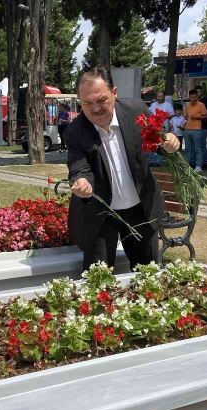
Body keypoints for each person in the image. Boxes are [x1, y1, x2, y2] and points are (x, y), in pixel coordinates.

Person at [67, 66, 181, 271]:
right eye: (87, 103)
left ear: (115, 93)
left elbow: (160, 143)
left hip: (139, 209)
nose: (95, 109)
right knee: (97, 277)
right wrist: (82, 183)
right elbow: (79, 167)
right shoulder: (75, 131)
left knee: (148, 275)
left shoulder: (136, 112)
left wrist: (171, 143)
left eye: (101, 100)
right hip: (100, 214)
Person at [184, 89, 207, 172]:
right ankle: (187, 164)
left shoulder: (201, 105)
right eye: (191, 97)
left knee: (198, 149)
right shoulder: (188, 105)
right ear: (189, 97)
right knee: (188, 149)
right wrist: (185, 117)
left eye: (195, 97)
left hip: (197, 130)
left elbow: (206, 117)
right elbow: (186, 117)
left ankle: (199, 166)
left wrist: (197, 117)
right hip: (187, 129)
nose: (193, 99)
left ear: (197, 97)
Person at [195, 85, 207, 168]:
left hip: (202, 126)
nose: (198, 93)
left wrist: (198, 116)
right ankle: (197, 162)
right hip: (193, 127)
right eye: (196, 91)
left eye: (199, 91)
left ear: (201, 92)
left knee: (202, 145)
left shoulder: (205, 100)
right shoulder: (192, 101)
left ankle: (205, 162)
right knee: (195, 146)